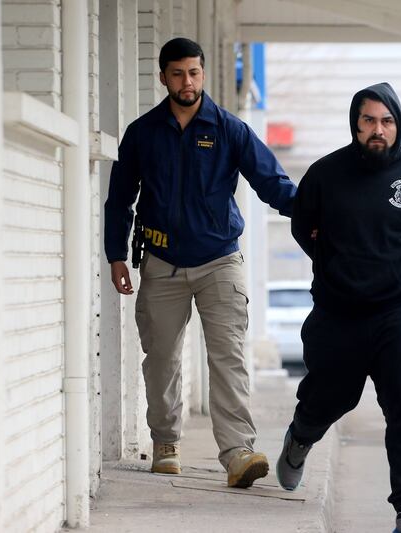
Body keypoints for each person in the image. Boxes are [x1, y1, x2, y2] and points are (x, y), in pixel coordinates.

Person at [104, 37, 296, 488]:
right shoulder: (142, 133)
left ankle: (238, 452)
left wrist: (318, 214)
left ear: (203, 74)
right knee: (162, 359)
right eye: (177, 74)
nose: (186, 82)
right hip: (162, 262)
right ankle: (166, 443)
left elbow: (273, 183)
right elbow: (120, 199)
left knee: (228, 357)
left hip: (219, 261)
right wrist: (116, 255)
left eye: (193, 72)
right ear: (163, 77)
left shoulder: (230, 129)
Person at [275, 82, 401, 533]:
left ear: (397, 124)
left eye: (387, 121)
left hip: (399, 314)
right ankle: (301, 436)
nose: (379, 129)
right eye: (369, 120)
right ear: (355, 124)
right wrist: (336, 265)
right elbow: (303, 228)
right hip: (337, 313)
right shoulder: (324, 175)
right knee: (331, 396)